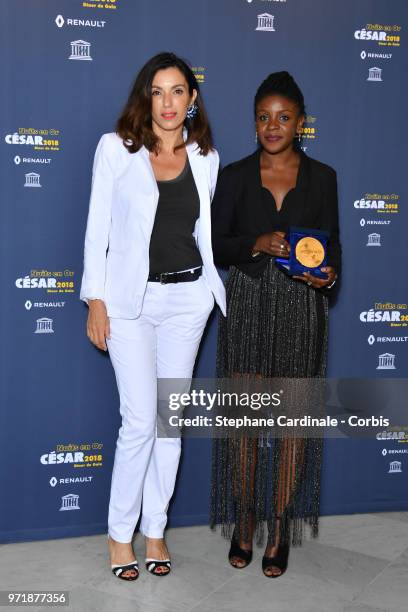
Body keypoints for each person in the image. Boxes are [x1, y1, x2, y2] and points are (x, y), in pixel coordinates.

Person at [80, 52, 226, 581]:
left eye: (178, 91)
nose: (168, 102)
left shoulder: (206, 155)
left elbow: (207, 232)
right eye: (158, 91)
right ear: (147, 97)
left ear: (192, 99)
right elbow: (98, 227)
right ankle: (121, 536)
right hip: (129, 304)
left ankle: (156, 529)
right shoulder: (116, 150)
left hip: (188, 302)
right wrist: (94, 298)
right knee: (141, 419)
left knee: (169, 424)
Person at [210, 71, 341, 578]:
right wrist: (255, 243)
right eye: (264, 117)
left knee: (290, 426)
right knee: (245, 421)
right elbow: (217, 246)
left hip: (301, 312)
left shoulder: (324, 177)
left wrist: (329, 276)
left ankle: (279, 526)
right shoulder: (235, 175)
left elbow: (335, 252)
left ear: (301, 122)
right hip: (247, 306)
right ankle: (245, 521)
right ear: (255, 122)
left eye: (283, 117)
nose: (273, 125)